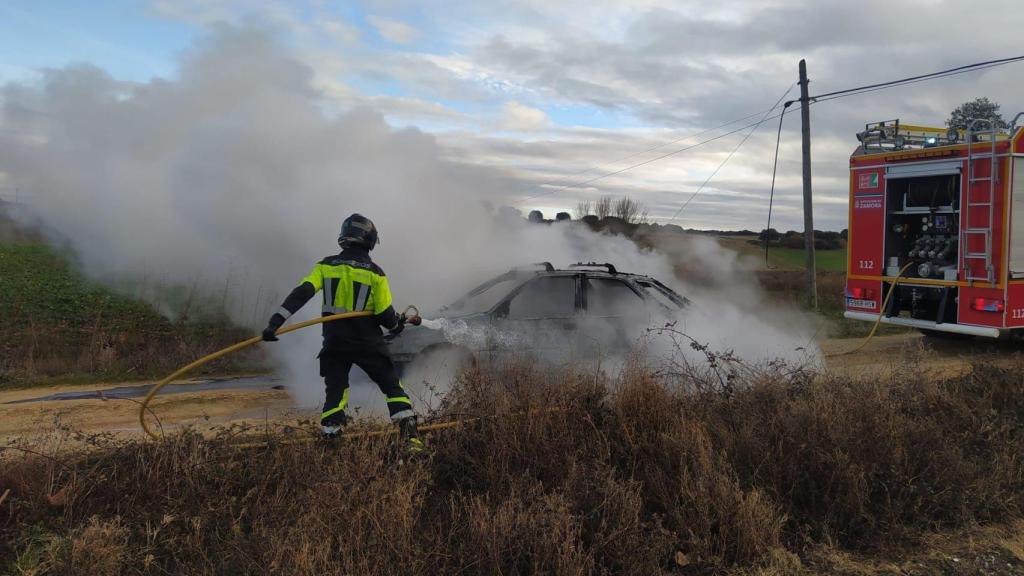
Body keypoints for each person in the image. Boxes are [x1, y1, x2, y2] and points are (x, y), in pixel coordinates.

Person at [261, 213, 422, 451]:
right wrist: (397, 325)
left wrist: (275, 322)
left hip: (335, 342)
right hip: (368, 344)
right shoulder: (376, 273)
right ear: (370, 240)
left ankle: (331, 443)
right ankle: (411, 441)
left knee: (336, 391)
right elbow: (384, 314)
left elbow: (302, 293)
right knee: (392, 387)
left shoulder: (326, 266)